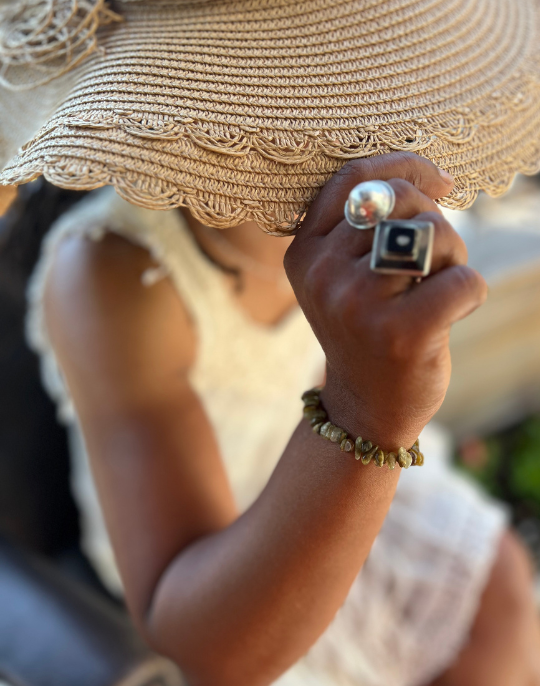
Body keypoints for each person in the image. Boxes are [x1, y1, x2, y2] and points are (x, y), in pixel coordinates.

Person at [1, 2, 540, 685]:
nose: (386, 124)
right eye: (323, 87)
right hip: (238, 562)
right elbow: (202, 641)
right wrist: (366, 409)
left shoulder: (383, 182)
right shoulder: (118, 279)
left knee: (502, 602)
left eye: (390, 77)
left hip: (357, 490)